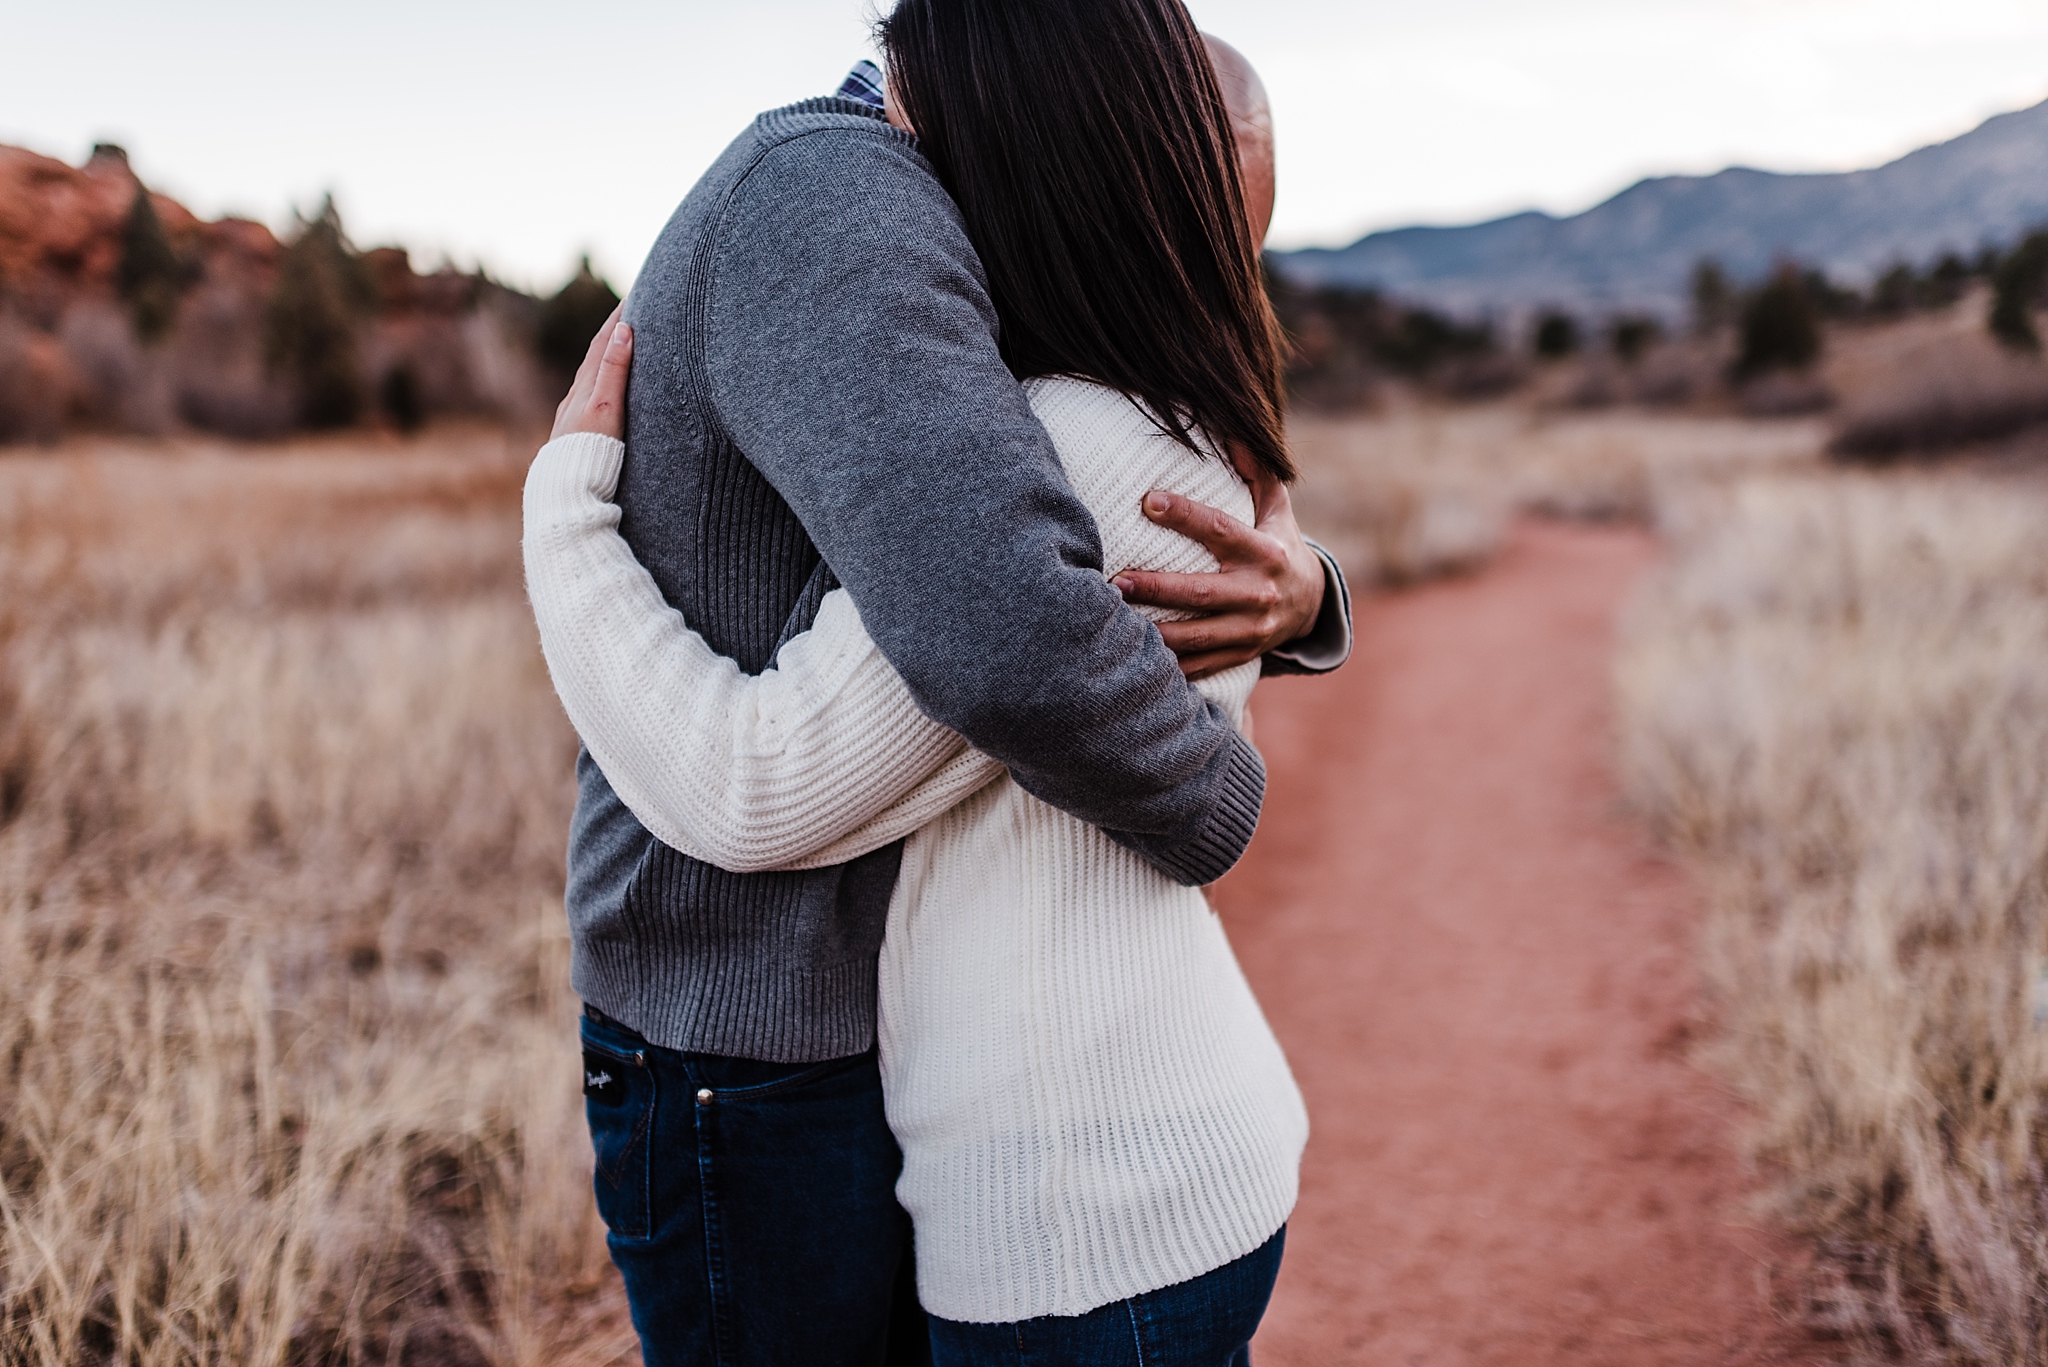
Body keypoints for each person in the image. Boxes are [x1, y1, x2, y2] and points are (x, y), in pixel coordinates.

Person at [527, 4, 1349, 1364]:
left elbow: (1006, 613)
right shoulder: (836, 204)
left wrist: (1308, 601)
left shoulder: (1062, 385)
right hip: (747, 1025)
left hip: (949, 1108)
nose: (1220, 258)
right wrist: (560, 515)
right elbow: (992, 641)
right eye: (1199, 209)